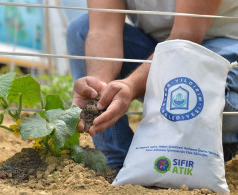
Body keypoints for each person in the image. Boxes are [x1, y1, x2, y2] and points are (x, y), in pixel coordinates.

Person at [66, 0, 238, 170]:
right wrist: (99, 90)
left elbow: (187, 34)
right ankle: (115, 161)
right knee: (81, 29)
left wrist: (131, 85)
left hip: (223, 44)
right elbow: (103, 30)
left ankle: (224, 144)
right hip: (155, 47)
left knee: (216, 96)